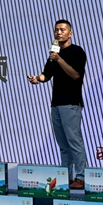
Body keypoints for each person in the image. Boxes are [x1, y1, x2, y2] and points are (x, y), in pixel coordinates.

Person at [27, 19, 88, 190]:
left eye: (62, 30)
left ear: (70, 33)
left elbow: (76, 75)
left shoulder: (76, 52)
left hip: (71, 103)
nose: (58, 33)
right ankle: (65, 177)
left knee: (74, 141)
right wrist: (37, 79)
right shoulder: (53, 55)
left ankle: (81, 177)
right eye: (56, 30)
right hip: (56, 104)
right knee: (63, 144)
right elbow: (46, 75)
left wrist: (59, 59)